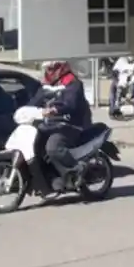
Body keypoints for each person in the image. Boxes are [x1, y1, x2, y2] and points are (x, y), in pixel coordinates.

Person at [29, 60, 92, 190]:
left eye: (52, 69)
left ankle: (75, 171)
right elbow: (35, 101)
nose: (49, 72)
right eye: (47, 69)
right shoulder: (47, 86)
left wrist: (56, 109)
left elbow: (71, 103)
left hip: (71, 125)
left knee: (53, 147)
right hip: (52, 126)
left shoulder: (72, 83)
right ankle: (52, 177)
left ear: (61, 68)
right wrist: (26, 110)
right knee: (36, 144)